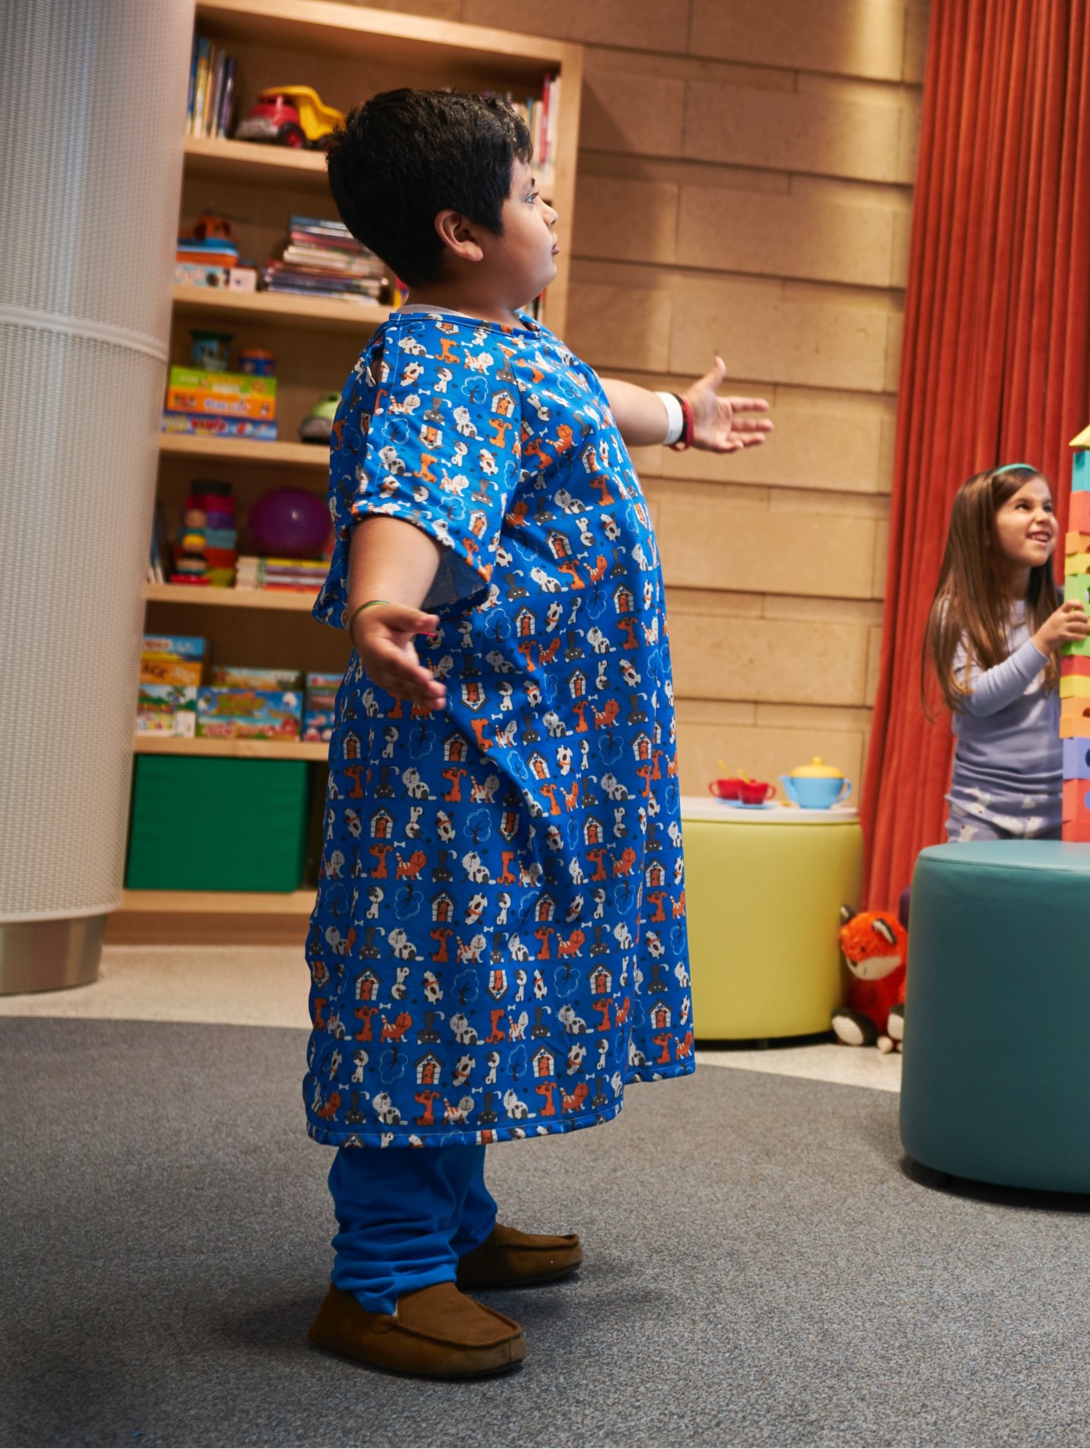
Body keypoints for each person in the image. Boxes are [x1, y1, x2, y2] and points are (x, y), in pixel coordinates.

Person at [303, 88, 770, 1378]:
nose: (548, 205)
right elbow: (409, 486)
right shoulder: (437, 359)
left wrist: (680, 415)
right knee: (428, 987)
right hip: (460, 741)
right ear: (460, 229)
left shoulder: (513, 343)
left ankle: (449, 1222)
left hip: (522, 742)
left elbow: (586, 397)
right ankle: (385, 1274)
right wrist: (381, 597)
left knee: (473, 982)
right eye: (528, 190)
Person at [925, 461, 1090, 840]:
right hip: (983, 812)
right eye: (1023, 506)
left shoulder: (1058, 604)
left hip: (1057, 810)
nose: (1043, 517)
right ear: (983, 530)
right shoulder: (956, 610)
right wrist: (1042, 643)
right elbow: (974, 698)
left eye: (1047, 507)